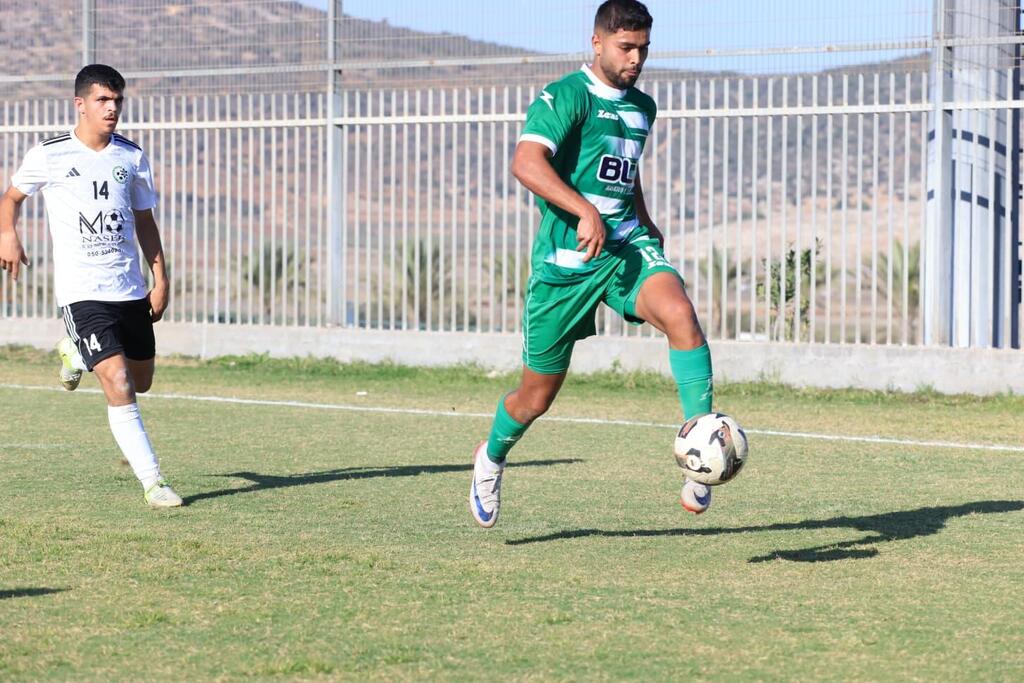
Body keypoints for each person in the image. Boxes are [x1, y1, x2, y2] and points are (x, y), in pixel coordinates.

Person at [470, 0, 715, 528]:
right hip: (566, 262)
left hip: (625, 245)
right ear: (597, 42)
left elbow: (624, 172)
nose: (636, 59)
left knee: (681, 314)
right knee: (535, 398)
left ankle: (702, 448)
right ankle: (490, 457)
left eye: (644, 49)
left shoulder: (642, 107)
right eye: (626, 48)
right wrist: (582, 209)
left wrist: (645, 219)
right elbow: (525, 162)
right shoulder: (565, 96)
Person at [0, 64, 182, 508]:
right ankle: (153, 482)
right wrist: (8, 232)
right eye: (103, 100)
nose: (112, 108)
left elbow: (145, 221)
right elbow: (11, 198)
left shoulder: (132, 157)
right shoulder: (50, 154)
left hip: (128, 289)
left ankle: (75, 351)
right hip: (82, 292)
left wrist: (160, 279)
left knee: (142, 380)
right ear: (80, 104)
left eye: (117, 100)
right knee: (118, 381)